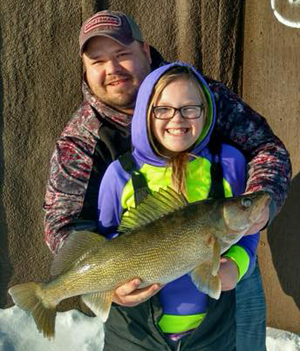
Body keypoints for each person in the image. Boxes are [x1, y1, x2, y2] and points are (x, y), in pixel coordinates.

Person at [43, 9, 291, 351]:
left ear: (145, 52)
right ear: (85, 69)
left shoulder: (198, 95)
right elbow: (62, 224)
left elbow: (267, 148)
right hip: (141, 303)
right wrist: (107, 284)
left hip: (224, 266)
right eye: (97, 60)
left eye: (122, 55)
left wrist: (261, 203)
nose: (111, 69)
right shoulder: (81, 139)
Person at [97, 61, 262, 350]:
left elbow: (247, 234)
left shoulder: (229, 164)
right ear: (146, 114)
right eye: (163, 109)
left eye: (190, 108)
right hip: (133, 335)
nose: (178, 119)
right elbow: (105, 240)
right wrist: (113, 289)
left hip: (212, 334)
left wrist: (237, 265)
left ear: (206, 110)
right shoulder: (119, 174)